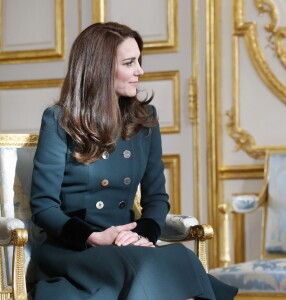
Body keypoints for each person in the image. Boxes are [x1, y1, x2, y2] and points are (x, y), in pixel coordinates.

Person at [29, 22, 238, 300]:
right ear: (100, 70)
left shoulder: (144, 120)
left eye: (138, 61)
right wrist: (92, 237)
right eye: (129, 63)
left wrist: (143, 235)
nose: (140, 70)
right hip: (75, 250)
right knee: (156, 269)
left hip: (130, 245)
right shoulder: (59, 120)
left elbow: (157, 198)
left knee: (175, 258)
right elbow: (44, 206)